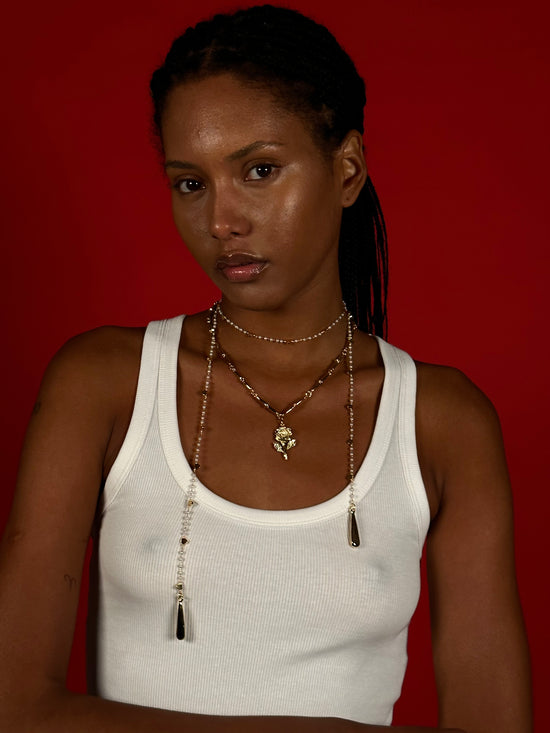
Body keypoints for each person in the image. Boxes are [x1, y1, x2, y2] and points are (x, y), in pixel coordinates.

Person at [0, 5, 532, 732]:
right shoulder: (104, 383)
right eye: (191, 183)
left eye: (259, 170)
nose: (222, 220)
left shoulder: (443, 423)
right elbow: (15, 707)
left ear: (347, 170)